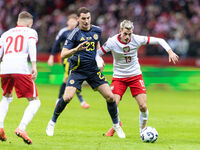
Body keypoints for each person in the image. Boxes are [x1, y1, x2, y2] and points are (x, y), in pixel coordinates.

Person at [46, 7, 125, 138]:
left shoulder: (97, 30)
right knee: (67, 97)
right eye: (83, 18)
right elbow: (63, 54)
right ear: (78, 19)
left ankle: (116, 125)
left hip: (93, 70)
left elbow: (97, 44)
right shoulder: (74, 34)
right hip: (77, 70)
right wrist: (75, 50)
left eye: (88, 18)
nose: (86, 21)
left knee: (110, 97)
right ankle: (52, 122)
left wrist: (99, 58)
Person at [97, 20, 179, 137]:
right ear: (120, 31)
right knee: (113, 103)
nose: (127, 37)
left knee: (143, 106)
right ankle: (117, 124)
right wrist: (100, 61)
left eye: (129, 34)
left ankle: (142, 130)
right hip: (119, 77)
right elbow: (97, 53)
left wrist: (170, 51)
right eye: (125, 34)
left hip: (135, 76)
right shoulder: (112, 42)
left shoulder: (137, 39)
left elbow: (160, 40)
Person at [0, 11, 40, 144]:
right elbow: (32, 47)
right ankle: (21, 128)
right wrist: (34, 65)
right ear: (29, 24)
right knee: (35, 101)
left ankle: (0, 126)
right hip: (20, 68)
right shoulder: (31, 32)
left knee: (6, 97)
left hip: (5, 67)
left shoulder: (6, 34)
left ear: (18, 22)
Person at [47, 14, 90, 109]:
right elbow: (56, 44)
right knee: (71, 77)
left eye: (74, 21)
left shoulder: (80, 32)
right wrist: (51, 57)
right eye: (71, 21)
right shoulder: (64, 32)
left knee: (69, 79)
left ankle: (59, 100)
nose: (72, 23)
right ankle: (81, 101)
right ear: (67, 22)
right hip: (67, 59)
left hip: (78, 58)